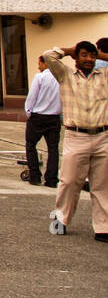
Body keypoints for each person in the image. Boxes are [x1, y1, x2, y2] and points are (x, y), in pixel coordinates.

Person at [43, 42, 108, 242]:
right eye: (84, 55)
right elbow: (48, 55)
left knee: (102, 185)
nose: (89, 59)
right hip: (76, 136)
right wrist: (71, 51)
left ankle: (103, 227)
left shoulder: (104, 76)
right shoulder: (66, 75)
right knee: (69, 182)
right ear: (76, 58)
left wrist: (100, 55)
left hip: (102, 136)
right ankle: (60, 221)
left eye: (92, 56)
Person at [24, 55, 61, 188]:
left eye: (39, 63)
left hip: (38, 117)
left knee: (30, 145)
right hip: (54, 117)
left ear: (45, 64)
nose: (38, 66)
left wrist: (28, 111)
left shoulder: (39, 77)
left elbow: (32, 95)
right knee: (53, 149)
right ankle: (51, 179)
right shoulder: (60, 77)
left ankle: (35, 176)